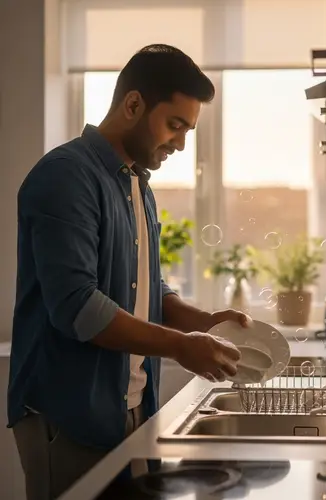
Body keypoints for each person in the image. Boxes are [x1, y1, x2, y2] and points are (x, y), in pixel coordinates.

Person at [8, 44, 249, 500]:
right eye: (174, 125)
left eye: (188, 130)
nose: (180, 142)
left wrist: (202, 323)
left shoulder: (136, 182)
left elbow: (144, 286)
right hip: (68, 413)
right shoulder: (65, 177)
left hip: (131, 406)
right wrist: (182, 346)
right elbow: (79, 309)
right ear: (133, 104)